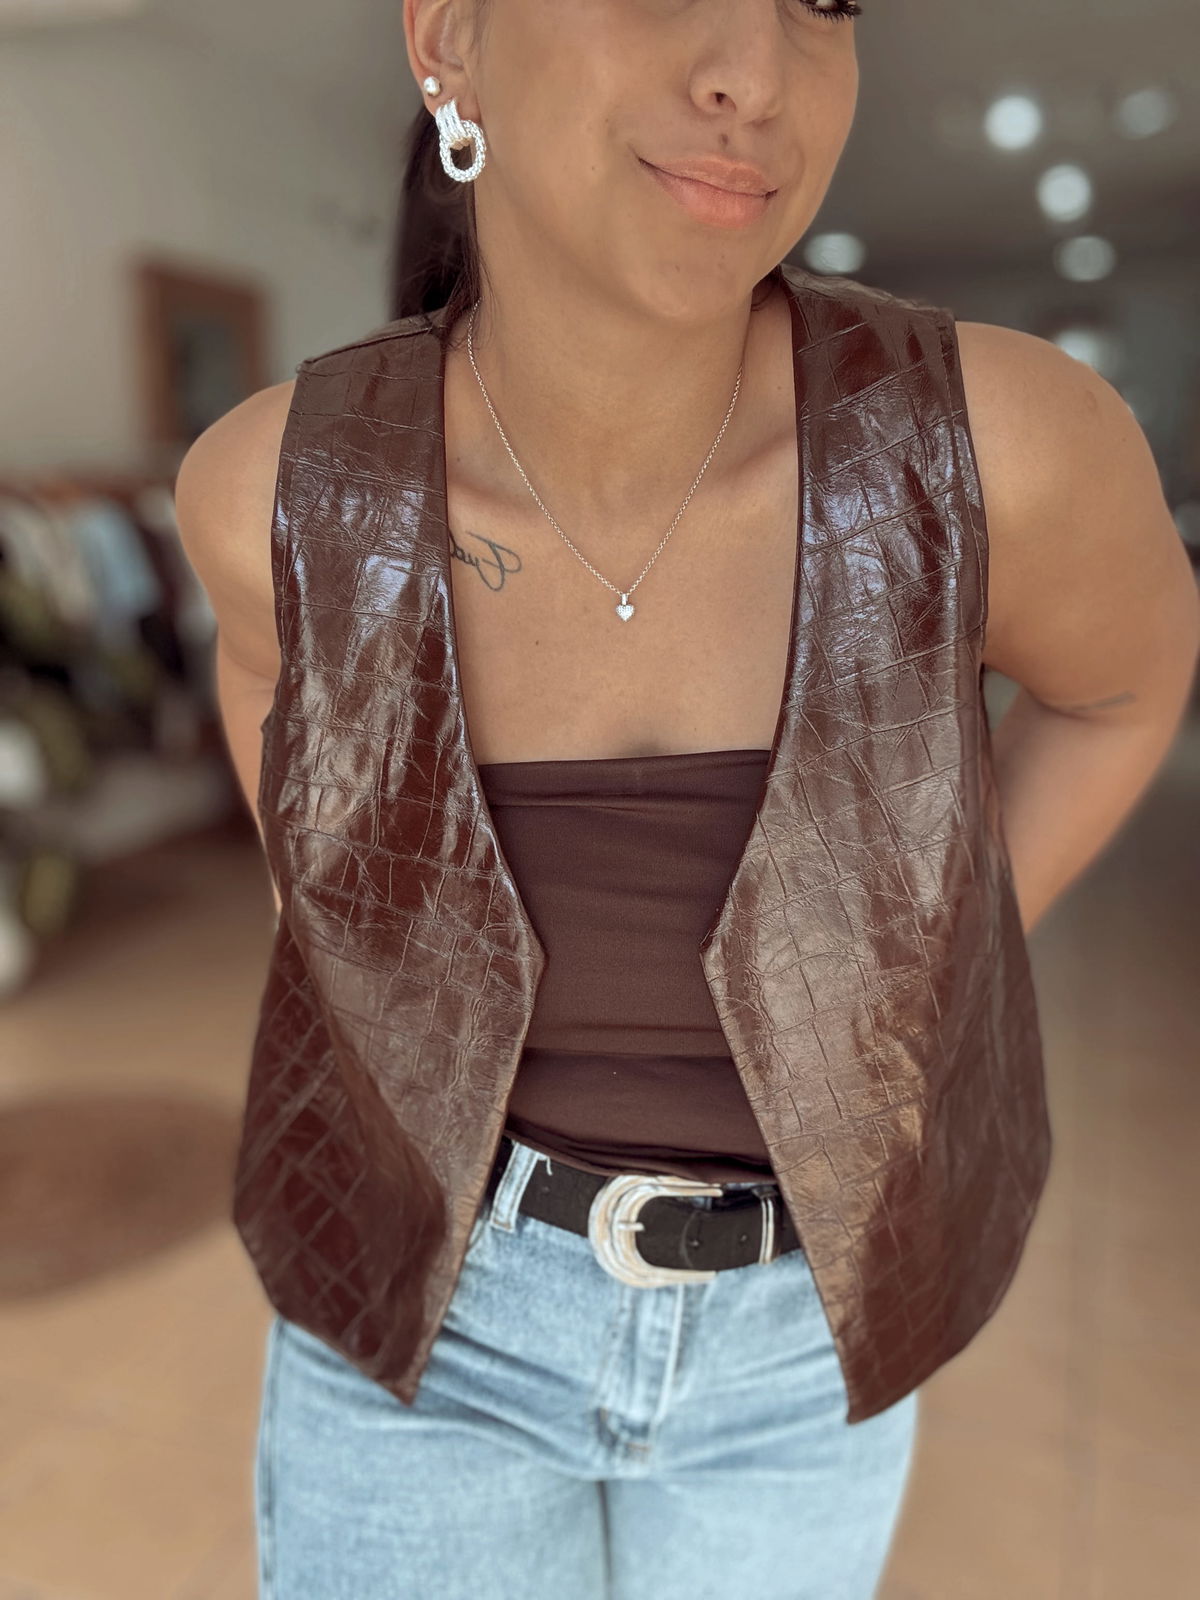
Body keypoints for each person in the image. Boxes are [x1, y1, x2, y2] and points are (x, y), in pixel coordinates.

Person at [173, 2, 1200, 1596]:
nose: (754, 72)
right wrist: (369, 949)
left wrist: (924, 954)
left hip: (806, 1330)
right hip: (412, 1316)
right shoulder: (278, 489)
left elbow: (1121, 689)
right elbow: (273, 698)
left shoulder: (994, 450)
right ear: (449, 39)